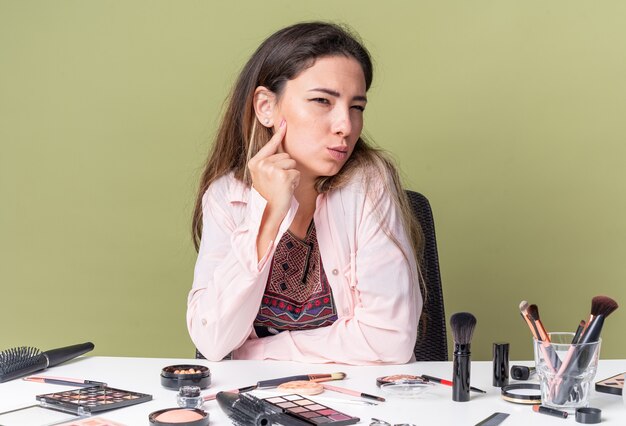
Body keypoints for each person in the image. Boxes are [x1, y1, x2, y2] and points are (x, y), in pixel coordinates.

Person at [187, 21, 424, 365]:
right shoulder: (227, 198)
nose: (346, 125)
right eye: (322, 101)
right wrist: (266, 216)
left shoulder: (369, 182)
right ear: (266, 107)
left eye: (357, 107)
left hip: (361, 400)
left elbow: (391, 339)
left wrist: (259, 352)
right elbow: (213, 338)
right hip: (258, 401)